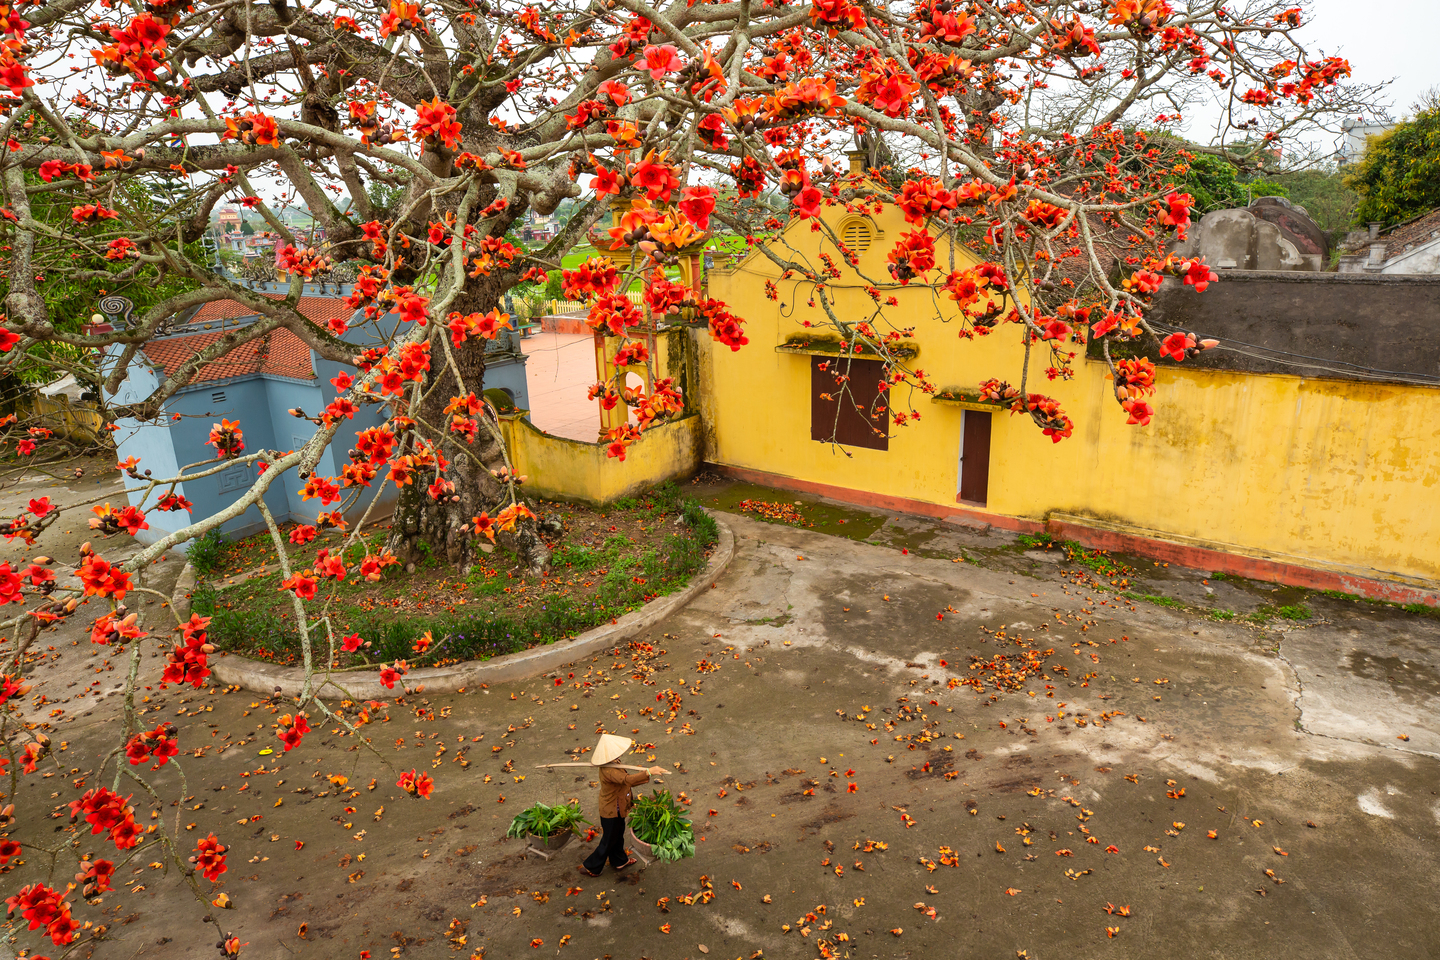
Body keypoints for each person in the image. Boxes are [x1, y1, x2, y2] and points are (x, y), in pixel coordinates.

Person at [579, 734, 665, 877]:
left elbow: (625, 782)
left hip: (618, 807)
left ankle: (619, 861)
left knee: (618, 836)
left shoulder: (614, 762)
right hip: (610, 810)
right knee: (608, 840)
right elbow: (627, 780)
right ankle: (592, 866)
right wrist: (648, 772)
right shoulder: (609, 770)